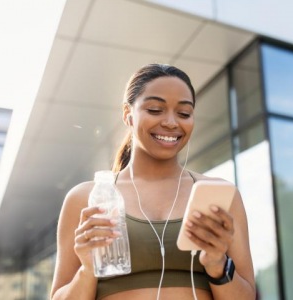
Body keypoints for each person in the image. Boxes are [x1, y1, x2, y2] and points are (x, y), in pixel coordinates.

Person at [50, 63, 256, 300]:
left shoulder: (222, 195)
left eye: (184, 113)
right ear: (128, 114)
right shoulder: (86, 198)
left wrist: (218, 266)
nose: (171, 122)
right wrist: (88, 269)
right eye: (156, 110)